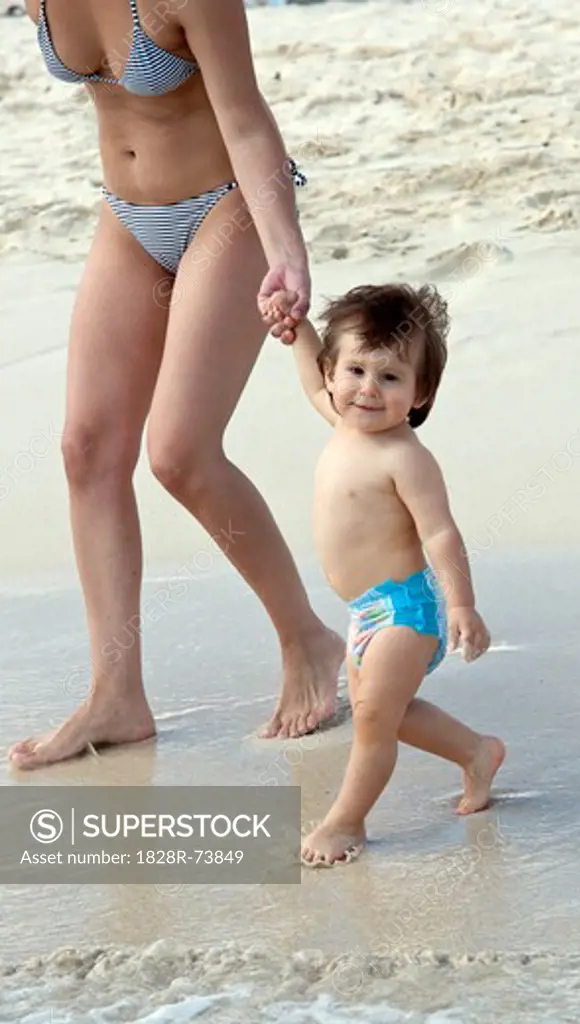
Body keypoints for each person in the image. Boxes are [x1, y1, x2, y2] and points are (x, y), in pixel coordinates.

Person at [8, 0, 346, 770]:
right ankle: (116, 695)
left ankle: (308, 640)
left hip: (226, 208)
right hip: (129, 218)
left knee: (179, 453)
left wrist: (286, 250)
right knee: (87, 448)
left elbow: (248, 119)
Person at [266, 282, 506, 866]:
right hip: (365, 611)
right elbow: (307, 378)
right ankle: (477, 752)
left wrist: (461, 604)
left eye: (391, 377)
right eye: (354, 371)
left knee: (372, 719)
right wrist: (296, 330)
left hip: (407, 608)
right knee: (390, 713)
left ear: (420, 392)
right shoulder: (340, 419)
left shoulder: (405, 457)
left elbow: (439, 532)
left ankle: (346, 823)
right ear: (331, 372)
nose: (368, 390)